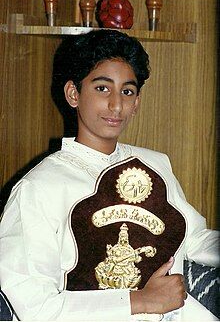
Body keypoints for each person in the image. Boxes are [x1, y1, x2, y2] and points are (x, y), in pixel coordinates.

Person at [0, 29, 219, 322]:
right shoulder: (37, 188)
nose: (116, 105)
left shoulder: (155, 166)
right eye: (102, 88)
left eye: (127, 91)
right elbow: (34, 306)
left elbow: (195, 239)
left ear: (137, 102)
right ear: (73, 94)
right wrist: (139, 300)